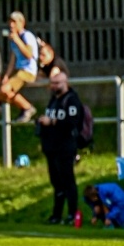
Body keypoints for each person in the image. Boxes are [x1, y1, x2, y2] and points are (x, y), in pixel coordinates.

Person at [37, 66, 84, 224]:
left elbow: (72, 122)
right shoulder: (54, 100)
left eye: (58, 83)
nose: (54, 86)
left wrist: (52, 122)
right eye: (52, 83)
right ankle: (56, 215)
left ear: (65, 82)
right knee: (56, 183)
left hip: (65, 147)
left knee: (68, 181)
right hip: (51, 147)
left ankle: (72, 214)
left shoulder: (71, 99)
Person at [0, 11, 39, 123]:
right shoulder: (14, 38)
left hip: (27, 71)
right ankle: (24, 107)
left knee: (5, 89)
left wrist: (17, 40)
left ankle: (27, 108)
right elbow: (13, 59)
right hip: (17, 71)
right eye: (10, 22)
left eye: (14, 22)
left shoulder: (27, 36)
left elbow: (29, 54)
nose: (11, 25)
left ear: (22, 23)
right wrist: (6, 75)